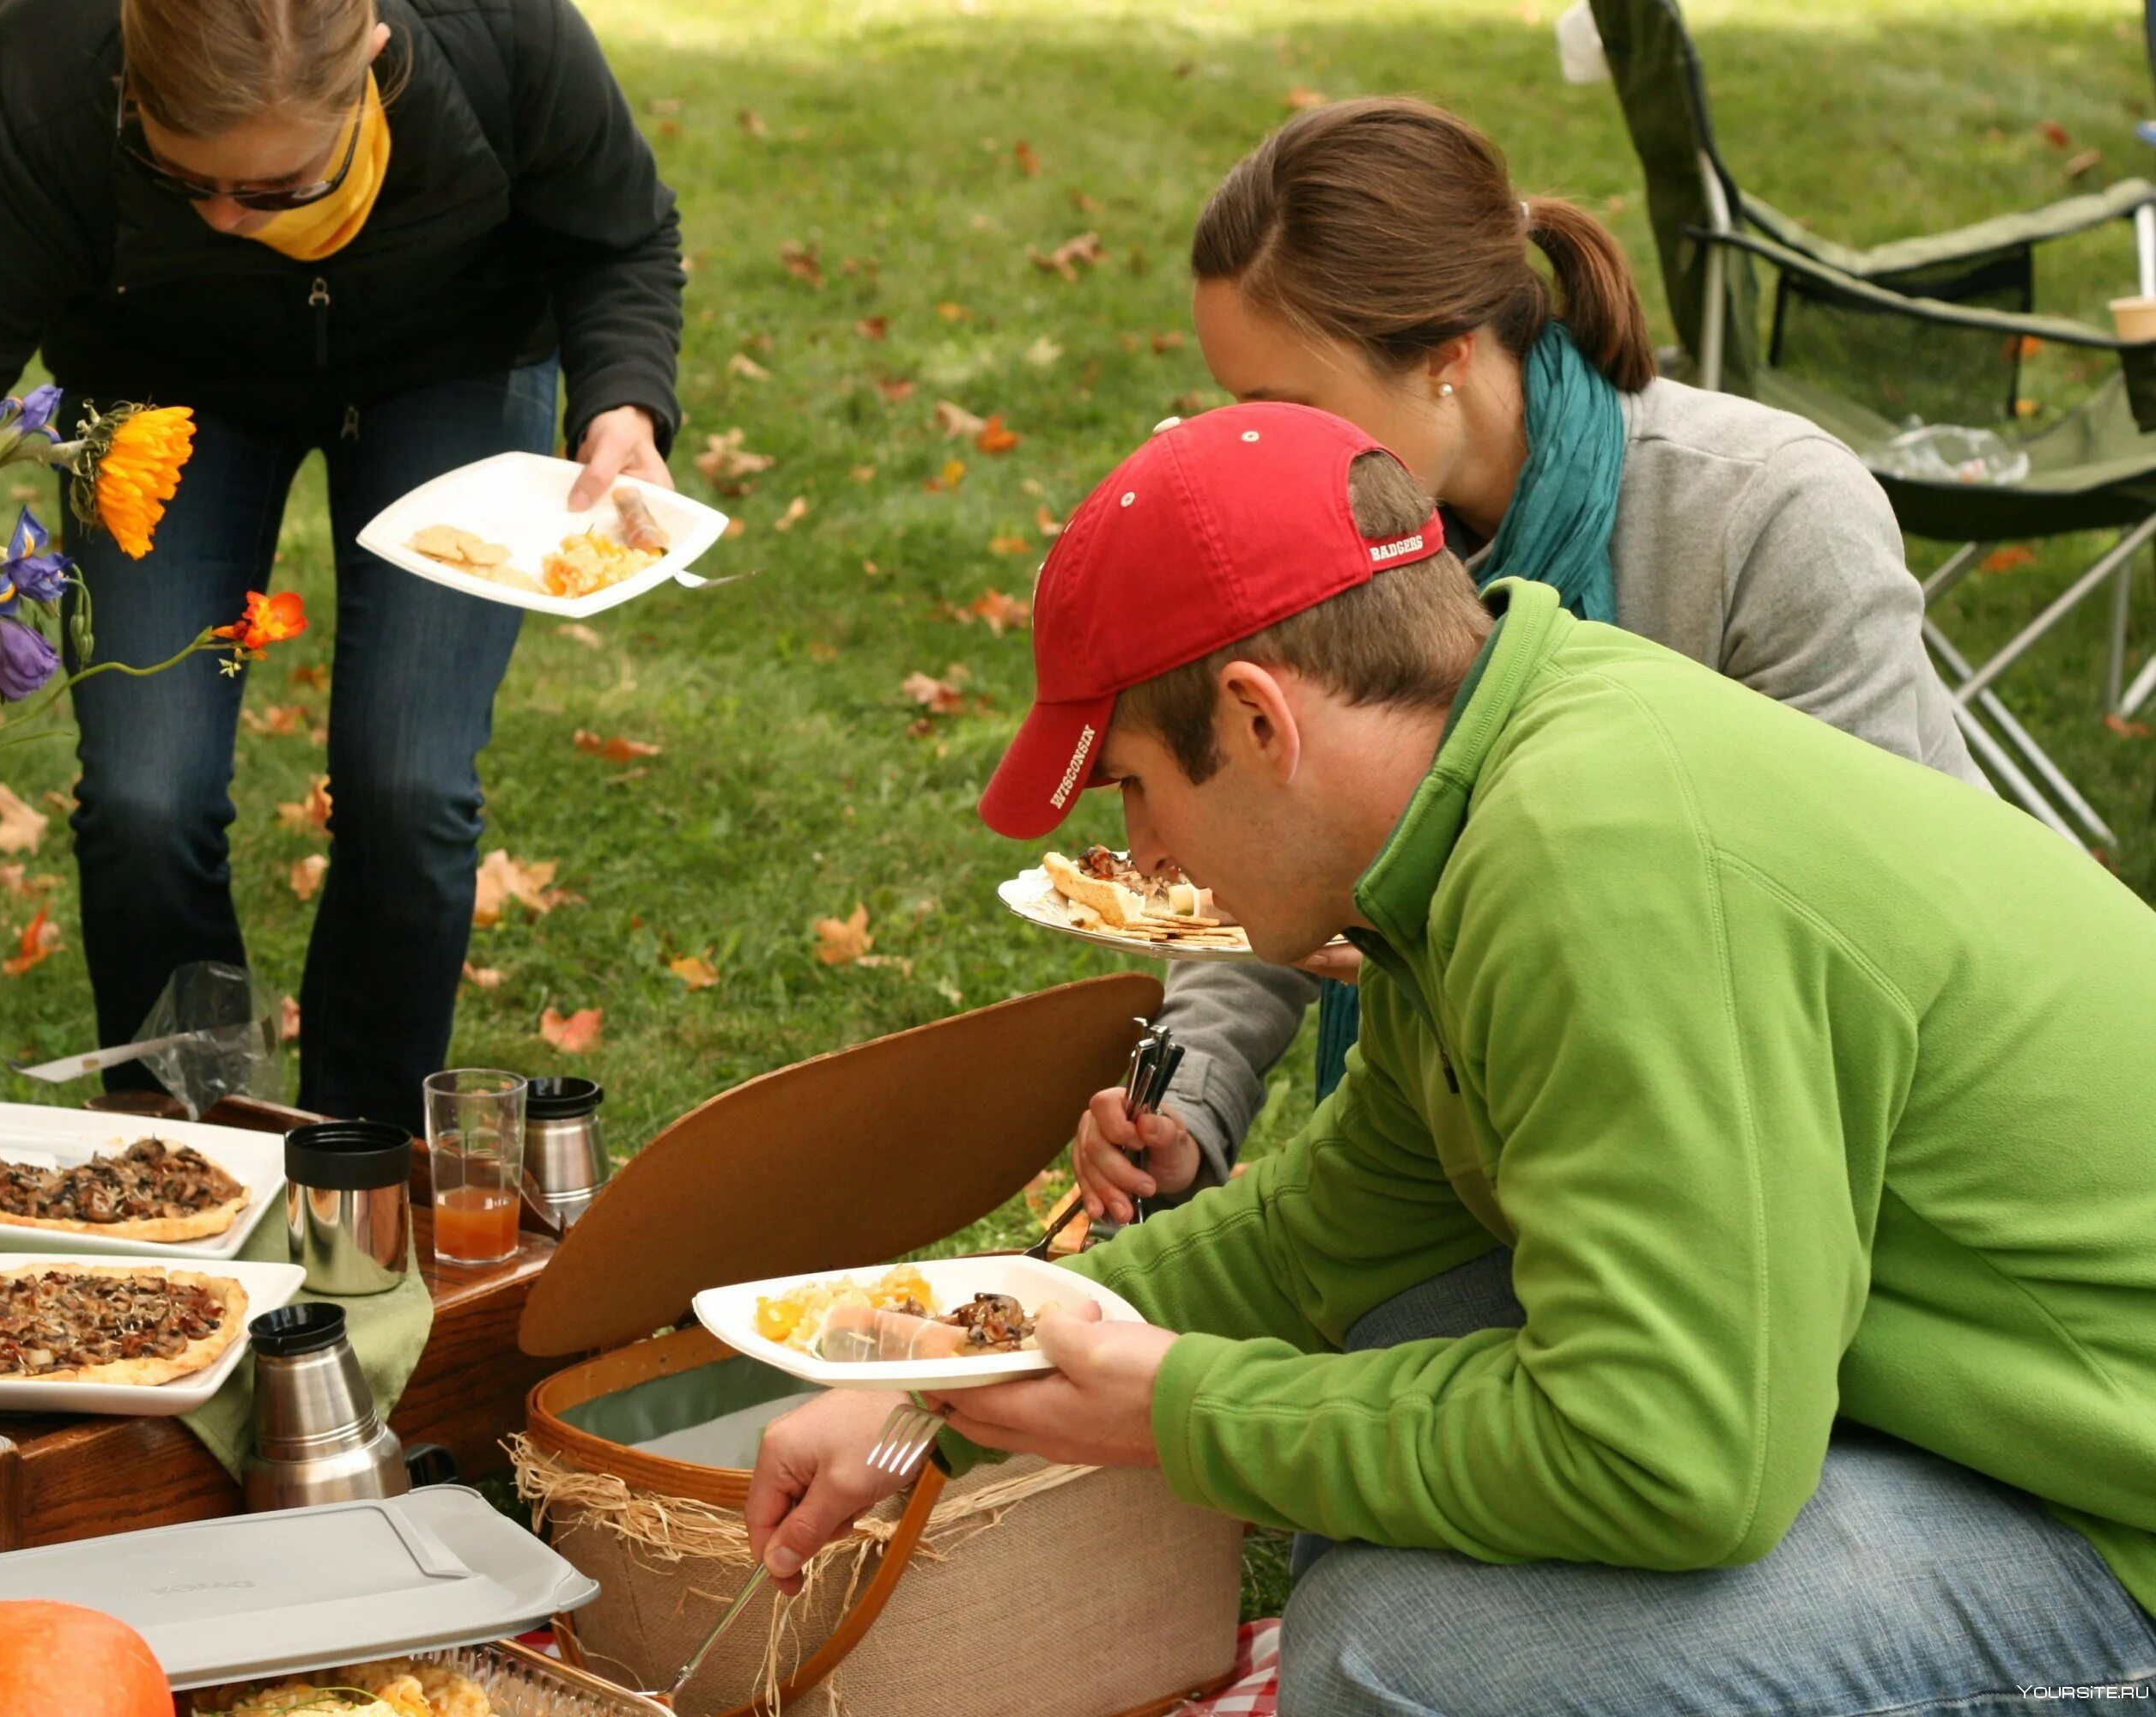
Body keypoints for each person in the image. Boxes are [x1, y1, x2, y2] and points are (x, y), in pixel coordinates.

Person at [748, 404, 2156, 1714]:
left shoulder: (1591, 866)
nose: (1145, 855)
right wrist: (934, 1369)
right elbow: (1324, 1244)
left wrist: (1175, 1408)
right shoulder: (1499, 772)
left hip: (2114, 1511)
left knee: (1408, 1657)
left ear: (1258, 719)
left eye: (1134, 784)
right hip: (2020, 1402)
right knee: (1410, 1362)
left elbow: (1669, 1460)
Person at [1067, 97, 1987, 1226]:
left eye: (1283, 405)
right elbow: (1264, 820)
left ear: (1447, 355)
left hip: (1835, 1155)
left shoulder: (1763, 513)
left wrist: (1451, 952)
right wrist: (1186, 1104)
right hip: (1498, 1130)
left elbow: (1866, 930)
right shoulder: (1326, 532)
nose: (1254, 445)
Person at [0, 0, 683, 1129]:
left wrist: (624, 397)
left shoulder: (502, 31)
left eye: (277, 189)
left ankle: (364, 1163)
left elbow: (615, 234)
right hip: (164, 383)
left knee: (409, 783)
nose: (227, 218)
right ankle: (188, 1148)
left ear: (370, 60)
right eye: (182, 180)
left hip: (449, 362)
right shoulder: (62, 92)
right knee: (146, 793)